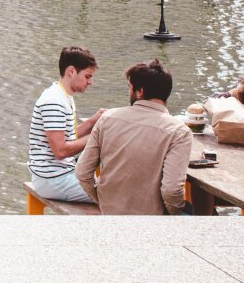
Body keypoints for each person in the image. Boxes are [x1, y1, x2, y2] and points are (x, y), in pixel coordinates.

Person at [75, 59, 191, 215]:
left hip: (110, 214)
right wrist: (174, 215)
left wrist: (102, 200)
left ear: (139, 92)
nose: (129, 92)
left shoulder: (107, 118)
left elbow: (82, 172)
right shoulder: (179, 132)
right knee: (202, 214)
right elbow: (171, 190)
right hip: (152, 221)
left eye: (129, 88)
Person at [27, 46, 104, 204]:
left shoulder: (63, 95)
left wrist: (92, 121)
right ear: (71, 71)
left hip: (58, 175)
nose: (90, 82)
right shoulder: (54, 101)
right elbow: (60, 151)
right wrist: (95, 137)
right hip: (53, 180)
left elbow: (67, 136)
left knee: (114, 187)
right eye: (87, 76)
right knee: (116, 195)